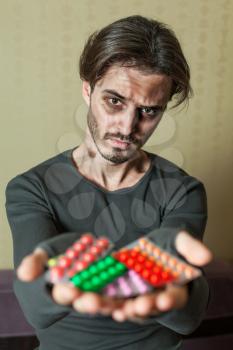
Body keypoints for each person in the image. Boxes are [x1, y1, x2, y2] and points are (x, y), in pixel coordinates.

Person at [5, 15, 212, 350]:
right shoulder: (31, 188)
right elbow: (36, 308)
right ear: (88, 89)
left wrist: (169, 286)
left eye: (148, 111)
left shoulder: (182, 191)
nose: (127, 127)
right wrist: (140, 270)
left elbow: (187, 317)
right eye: (115, 101)